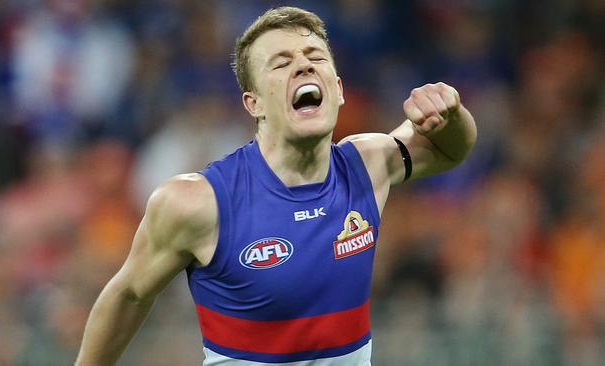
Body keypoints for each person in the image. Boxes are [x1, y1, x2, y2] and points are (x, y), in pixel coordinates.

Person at [75, 6, 477, 366]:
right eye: (281, 63)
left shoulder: (368, 164)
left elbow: (450, 150)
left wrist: (451, 113)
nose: (303, 66)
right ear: (254, 104)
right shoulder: (200, 201)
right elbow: (129, 295)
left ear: (337, 90)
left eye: (315, 57)